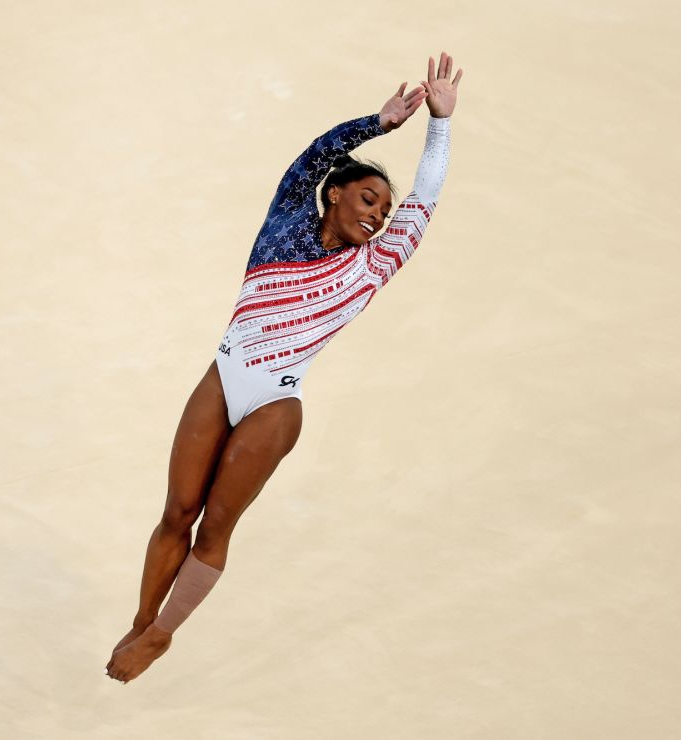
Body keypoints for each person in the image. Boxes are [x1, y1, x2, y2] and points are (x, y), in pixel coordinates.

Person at [107, 52, 464, 683]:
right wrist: (376, 124)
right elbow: (308, 159)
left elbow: (427, 196)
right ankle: (139, 623)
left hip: (274, 402)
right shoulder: (286, 224)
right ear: (335, 195)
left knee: (216, 524)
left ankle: (163, 634)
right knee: (176, 513)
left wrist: (440, 125)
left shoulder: (375, 264)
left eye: (385, 210)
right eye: (368, 197)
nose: (378, 215)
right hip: (222, 377)